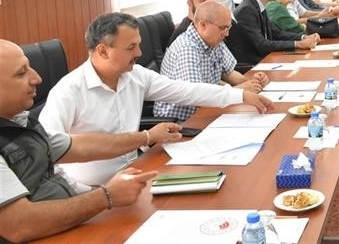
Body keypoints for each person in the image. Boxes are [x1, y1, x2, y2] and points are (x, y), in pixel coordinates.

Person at [38, 13, 273, 187]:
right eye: (131, 47)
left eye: (139, 45)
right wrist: (85, 195)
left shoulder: (136, 75)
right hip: (93, 189)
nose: (139, 53)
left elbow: (186, 90)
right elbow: (45, 155)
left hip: (138, 173)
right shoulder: (68, 91)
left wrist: (241, 95)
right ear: (102, 51)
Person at [0, 40, 167, 243]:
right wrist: (107, 196)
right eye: (21, 73)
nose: (37, 78)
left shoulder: (19, 121)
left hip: (68, 227)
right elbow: (19, 225)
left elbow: (82, 147)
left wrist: (147, 137)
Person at [155, 0, 269, 122]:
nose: (227, 34)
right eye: (223, 28)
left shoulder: (214, 40)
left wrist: (253, 83)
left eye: (228, 27)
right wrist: (238, 91)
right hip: (182, 121)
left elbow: (228, 73)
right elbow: (196, 97)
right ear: (203, 25)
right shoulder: (187, 48)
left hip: (209, 109)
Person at [225, 0, 319, 67]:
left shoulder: (258, 5)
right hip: (252, 64)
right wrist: (298, 44)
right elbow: (262, 44)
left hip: (265, 58)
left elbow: (277, 33)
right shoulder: (246, 10)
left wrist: (303, 37)